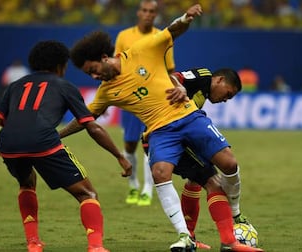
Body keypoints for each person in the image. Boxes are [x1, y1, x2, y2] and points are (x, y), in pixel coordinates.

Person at [60, 4, 263, 252]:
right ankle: (188, 237)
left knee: (229, 163)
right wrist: (58, 134)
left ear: (104, 58)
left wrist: (186, 18)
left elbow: (172, 31)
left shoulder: (141, 50)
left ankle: (234, 220)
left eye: (93, 70)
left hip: (188, 117)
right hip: (160, 131)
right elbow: (86, 117)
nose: (93, 77)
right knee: (160, 173)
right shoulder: (106, 92)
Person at [0, 40, 132, 252]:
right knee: (87, 194)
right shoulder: (65, 86)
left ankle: (33, 243)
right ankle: (96, 247)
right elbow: (93, 128)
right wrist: (119, 156)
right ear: (61, 65)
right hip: (43, 143)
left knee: (26, 183)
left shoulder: (15, 86)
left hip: (9, 145)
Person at [142, 67, 255, 250]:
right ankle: (226, 238)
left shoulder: (201, 98)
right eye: (228, 94)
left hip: (182, 136)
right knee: (213, 179)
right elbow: (174, 76)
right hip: (163, 134)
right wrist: (180, 87)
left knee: (197, 181)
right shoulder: (203, 76)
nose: (225, 100)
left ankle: (192, 238)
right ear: (219, 80)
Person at [114, 0, 175, 207]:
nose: (148, 14)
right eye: (145, 10)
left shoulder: (162, 37)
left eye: (152, 12)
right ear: (138, 13)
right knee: (130, 144)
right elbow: (117, 66)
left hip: (155, 102)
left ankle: (147, 190)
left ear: (156, 15)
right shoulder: (124, 36)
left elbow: (170, 70)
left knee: (151, 147)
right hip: (131, 101)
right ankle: (133, 185)